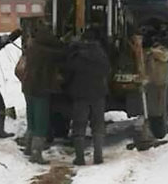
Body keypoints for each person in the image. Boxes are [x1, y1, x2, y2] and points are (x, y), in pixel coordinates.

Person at [22, 23, 66, 164]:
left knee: (32, 119)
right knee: (41, 122)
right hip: (41, 89)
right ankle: (36, 154)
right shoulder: (46, 52)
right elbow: (62, 53)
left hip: (28, 88)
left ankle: (28, 148)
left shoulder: (32, 48)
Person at [65, 30, 111, 165]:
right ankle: (98, 156)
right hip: (98, 94)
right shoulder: (101, 53)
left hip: (80, 95)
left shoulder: (77, 55)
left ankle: (80, 158)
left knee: (79, 124)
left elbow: (69, 70)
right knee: (98, 124)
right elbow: (107, 69)